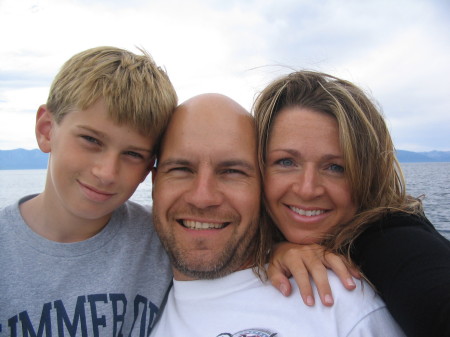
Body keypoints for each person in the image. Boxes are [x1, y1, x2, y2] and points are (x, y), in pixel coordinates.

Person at [150, 93, 405, 336]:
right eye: (181, 169)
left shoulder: (340, 304)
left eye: (232, 172)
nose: (202, 198)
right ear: (153, 183)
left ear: (262, 187)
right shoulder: (135, 302)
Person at [254, 70, 450, 337]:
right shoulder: (249, 235)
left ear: (367, 177)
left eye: (336, 167)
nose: (308, 189)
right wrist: (276, 248)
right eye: (286, 162)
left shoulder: (390, 240)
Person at [0, 46, 177, 336]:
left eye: (132, 154)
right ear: (47, 130)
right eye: (91, 140)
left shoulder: (164, 240)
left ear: (148, 169)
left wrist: (279, 251)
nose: (107, 173)